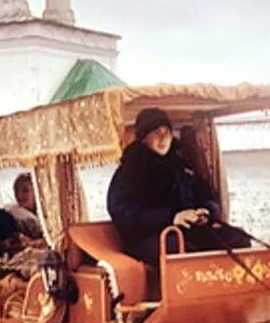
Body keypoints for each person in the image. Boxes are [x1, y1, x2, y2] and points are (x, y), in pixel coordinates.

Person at [107, 107, 251, 265]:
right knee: (183, 250)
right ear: (143, 138)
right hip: (148, 237)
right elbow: (121, 211)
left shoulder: (181, 165)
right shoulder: (130, 170)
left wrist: (206, 211)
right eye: (156, 133)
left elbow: (206, 194)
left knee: (237, 238)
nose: (163, 139)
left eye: (166, 133)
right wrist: (171, 217)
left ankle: (234, 288)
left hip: (188, 231)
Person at [4, 172, 45, 241]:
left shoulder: (49, 215)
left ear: (36, 191)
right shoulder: (13, 215)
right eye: (16, 190)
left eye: (25, 190)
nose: (19, 195)